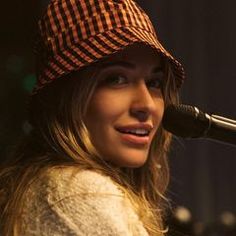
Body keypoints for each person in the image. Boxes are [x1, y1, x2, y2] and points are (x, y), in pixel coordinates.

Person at [0, 0, 185, 235]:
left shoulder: (50, 187)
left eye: (154, 82)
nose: (147, 104)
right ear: (65, 97)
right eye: (116, 79)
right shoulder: (78, 193)